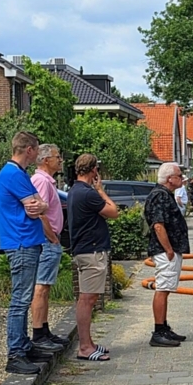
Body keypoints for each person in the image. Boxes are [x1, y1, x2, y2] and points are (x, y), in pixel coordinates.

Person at [0, 131, 56, 374]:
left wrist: (41, 205)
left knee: (24, 297)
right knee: (20, 300)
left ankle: (24, 345)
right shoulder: (13, 174)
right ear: (29, 150)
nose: (37, 153)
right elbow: (35, 206)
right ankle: (15, 353)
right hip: (21, 243)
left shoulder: (18, 173)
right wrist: (41, 205)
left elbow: (40, 204)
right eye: (36, 149)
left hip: (26, 242)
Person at [68, 153, 120, 361]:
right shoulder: (88, 193)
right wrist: (101, 190)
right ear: (94, 170)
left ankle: (88, 343)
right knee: (87, 299)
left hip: (84, 249)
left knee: (88, 298)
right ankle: (85, 347)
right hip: (92, 251)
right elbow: (113, 212)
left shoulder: (74, 190)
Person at [144, 162, 190, 347]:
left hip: (169, 249)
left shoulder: (164, 195)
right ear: (170, 179)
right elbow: (158, 225)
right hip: (165, 251)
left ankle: (163, 327)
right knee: (162, 288)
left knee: (166, 288)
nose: (182, 178)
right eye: (179, 175)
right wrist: (169, 249)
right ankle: (158, 331)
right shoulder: (160, 196)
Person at [30, 144, 69, 349]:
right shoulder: (42, 181)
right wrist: (52, 237)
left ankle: (44, 330)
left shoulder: (47, 181)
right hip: (47, 240)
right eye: (57, 156)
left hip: (49, 239)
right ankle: (38, 334)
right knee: (41, 286)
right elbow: (39, 212)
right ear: (46, 160)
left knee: (46, 286)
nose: (60, 160)